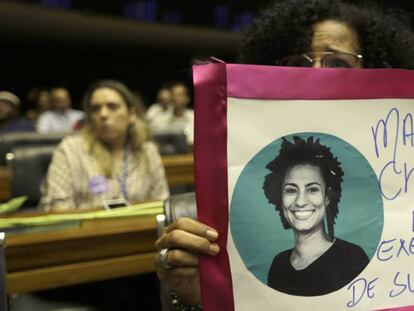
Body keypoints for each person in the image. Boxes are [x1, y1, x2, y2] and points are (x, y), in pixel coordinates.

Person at [155, 0, 414, 308]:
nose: (317, 74)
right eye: (300, 63)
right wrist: (200, 294)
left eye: (338, 63)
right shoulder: (267, 248)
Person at [40, 80, 169, 211]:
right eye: (95, 109)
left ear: (131, 114)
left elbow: (162, 204)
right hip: (87, 230)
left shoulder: (147, 151)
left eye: (112, 107)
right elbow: (57, 208)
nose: (103, 114)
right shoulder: (70, 150)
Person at [263, 136, 368, 296]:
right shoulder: (278, 264)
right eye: (291, 190)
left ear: (327, 198)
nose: (300, 201)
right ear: (280, 198)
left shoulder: (352, 259)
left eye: (312, 189)